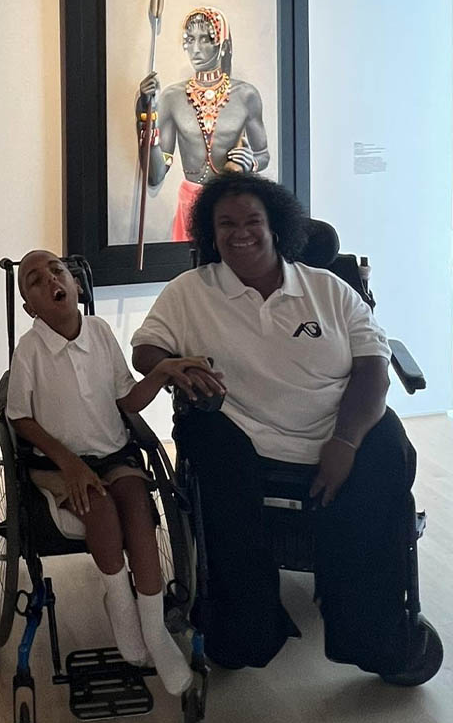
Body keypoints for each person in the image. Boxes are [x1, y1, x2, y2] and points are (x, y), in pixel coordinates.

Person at [131, 173, 423, 674]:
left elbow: (374, 368)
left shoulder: (329, 289)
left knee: (387, 454)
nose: (240, 232)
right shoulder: (189, 292)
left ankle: (369, 632)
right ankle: (247, 625)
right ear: (210, 233)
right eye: (226, 224)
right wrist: (171, 365)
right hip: (244, 437)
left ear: (276, 227)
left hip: (339, 430)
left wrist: (345, 442)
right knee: (204, 439)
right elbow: (145, 349)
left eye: (252, 221)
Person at [5, 249, 225, 695]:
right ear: (30, 308)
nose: (50, 280)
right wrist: (69, 464)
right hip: (57, 463)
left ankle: (154, 629)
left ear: (75, 284)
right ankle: (120, 604)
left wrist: (162, 371)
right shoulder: (30, 348)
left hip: (112, 452)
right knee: (101, 510)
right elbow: (19, 418)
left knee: (139, 510)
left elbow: (127, 401)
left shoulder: (101, 332)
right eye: (35, 280)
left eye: (56, 270)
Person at [136, 7, 270, 241]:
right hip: (189, 206)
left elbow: (263, 154)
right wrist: (147, 112)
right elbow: (156, 175)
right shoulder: (172, 97)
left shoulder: (246, 95)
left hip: (232, 204)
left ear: (222, 45)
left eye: (205, 39)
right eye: (190, 39)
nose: (196, 49)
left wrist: (251, 162)